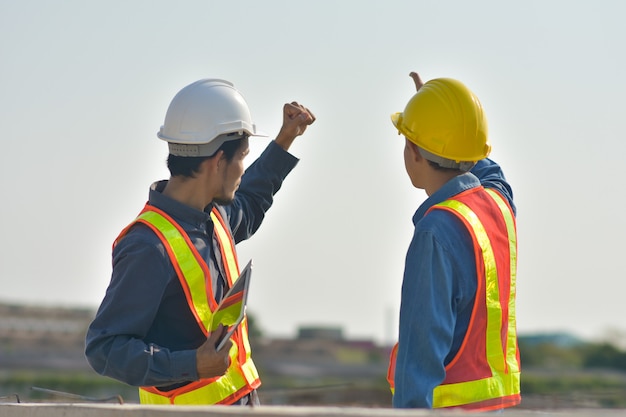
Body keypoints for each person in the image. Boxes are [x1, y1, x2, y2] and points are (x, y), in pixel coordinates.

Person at [85, 79, 315, 406]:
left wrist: (284, 140)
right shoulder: (148, 245)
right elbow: (105, 348)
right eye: (242, 158)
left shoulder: (214, 216)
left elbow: (249, 200)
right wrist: (191, 364)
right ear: (218, 161)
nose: (242, 170)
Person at [386, 72, 521, 411]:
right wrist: (445, 126)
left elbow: (420, 356)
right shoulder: (498, 206)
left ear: (413, 151)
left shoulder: (436, 232)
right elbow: (490, 173)